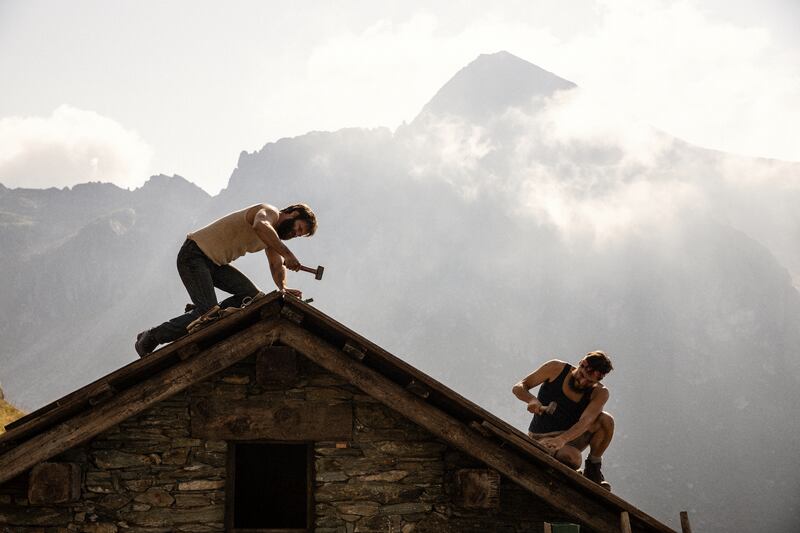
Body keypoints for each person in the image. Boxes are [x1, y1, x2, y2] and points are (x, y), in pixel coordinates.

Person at [135, 203, 317, 357]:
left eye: (299, 235)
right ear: (293, 213)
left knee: (253, 297)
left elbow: (276, 265)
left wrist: (283, 288)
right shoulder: (269, 212)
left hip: (215, 264)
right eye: (298, 229)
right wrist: (288, 253)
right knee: (208, 313)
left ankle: (205, 312)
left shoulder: (272, 238)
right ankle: (153, 336)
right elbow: (260, 225)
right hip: (194, 254)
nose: (295, 234)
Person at [512, 351, 614, 490]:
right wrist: (531, 399)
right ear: (581, 364)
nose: (583, 382)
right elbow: (519, 386)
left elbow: (586, 422)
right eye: (582, 375)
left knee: (606, 420)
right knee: (572, 458)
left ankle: (593, 468)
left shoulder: (600, 392)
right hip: (541, 436)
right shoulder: (556, 368)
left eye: (590, 381)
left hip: (570, 437)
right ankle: (553, 461)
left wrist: (562, 439)